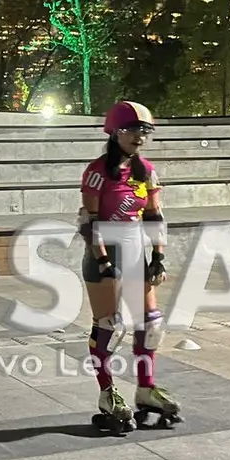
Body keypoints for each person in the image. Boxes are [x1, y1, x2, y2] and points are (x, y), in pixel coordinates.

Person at [78, 100, 181, 433]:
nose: (139, 137)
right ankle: (107, 393)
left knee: (150, 324)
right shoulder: (97, 172)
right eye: (132, 130)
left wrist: (158, 256)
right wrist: (104, 261)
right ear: (115, 132)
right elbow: (90, 221)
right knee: (109, 327)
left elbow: (154, 216)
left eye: (144, 131)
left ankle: (146, 388)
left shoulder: (146, 171)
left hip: (136, 249)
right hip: (105, 252)